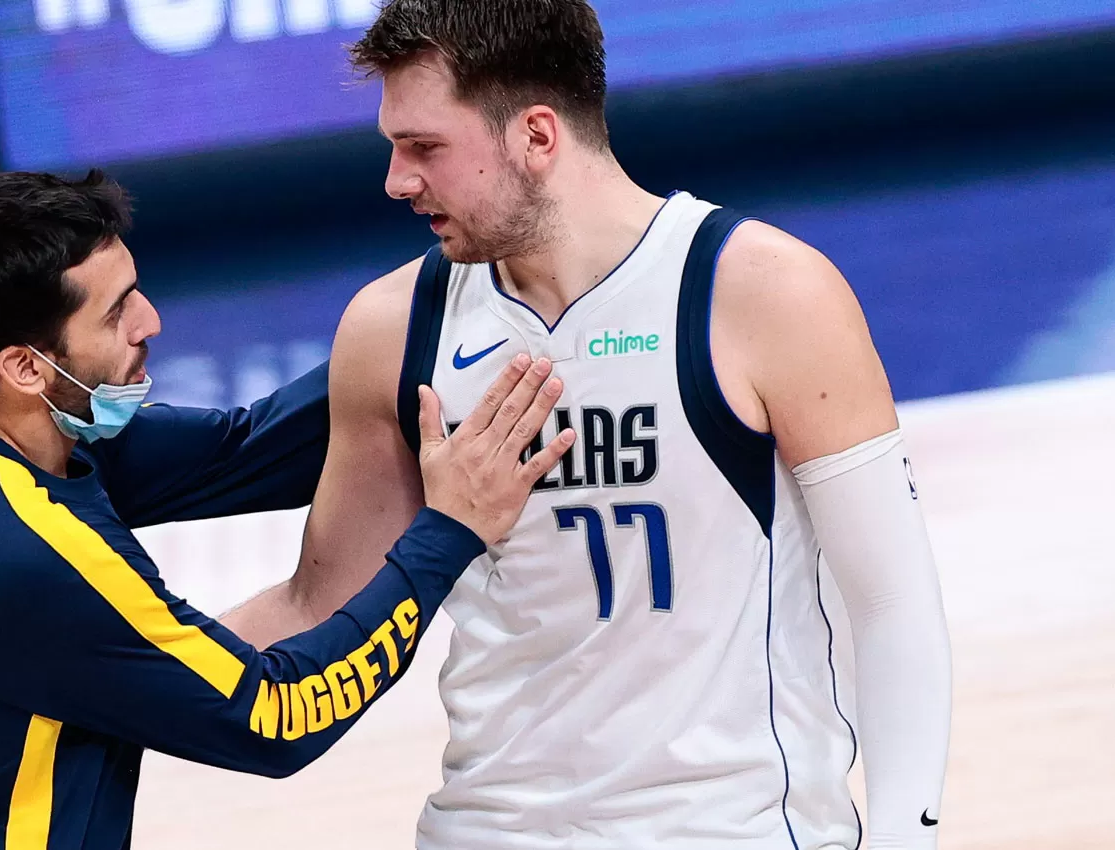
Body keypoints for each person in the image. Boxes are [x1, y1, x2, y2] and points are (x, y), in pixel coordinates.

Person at [218, 2, 954, 848]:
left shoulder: (762, 291)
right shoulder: (393, 327)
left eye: (424, 147)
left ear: (536, 135)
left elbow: (891, 600)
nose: (397, 180)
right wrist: (96, 659)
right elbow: (321, 604)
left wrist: (907, 836)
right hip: (486, 830)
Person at [0, 169, 575, 849]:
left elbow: (251, 451)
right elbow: (279, 717)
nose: (151, 321)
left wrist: (453, 282)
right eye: (117, 312)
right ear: (26, 366)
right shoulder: (14, 550)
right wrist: (450, 532)